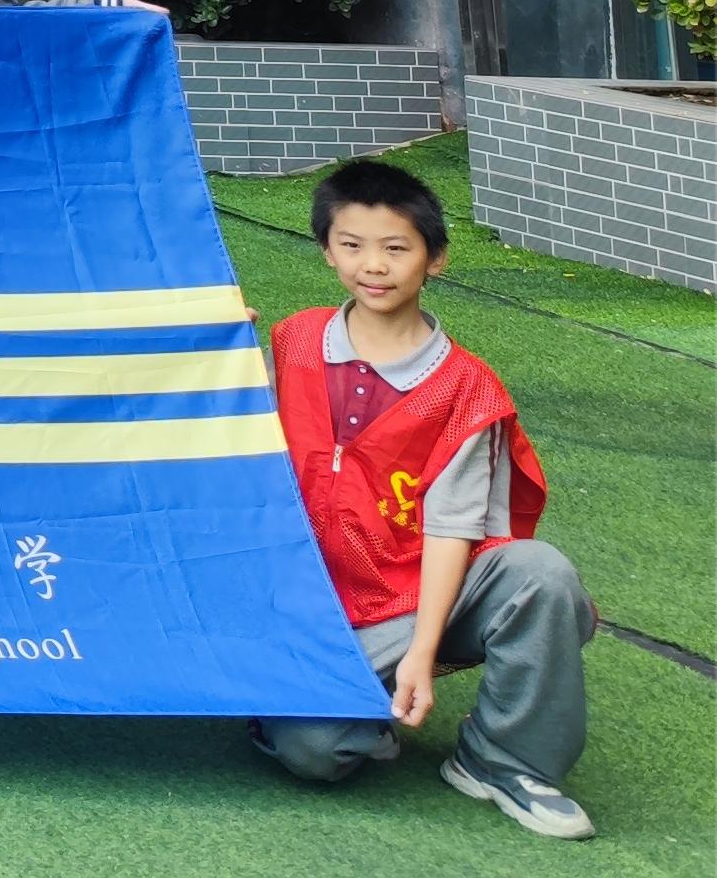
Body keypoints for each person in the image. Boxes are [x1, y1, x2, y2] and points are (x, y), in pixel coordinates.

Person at [255, 160, 595, 840]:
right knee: (315, 752)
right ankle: (343, 703)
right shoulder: (293, 341)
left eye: (396, 247)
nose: (373, 265)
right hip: (313, 605)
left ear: (434, 259)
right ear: (327, 251)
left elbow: (451, 529)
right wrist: (215, 349)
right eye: (352, 245)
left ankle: (503, 760)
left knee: (542, 575)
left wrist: (422, 651)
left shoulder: (466, 388)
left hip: (417, 595)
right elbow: (236, 442)